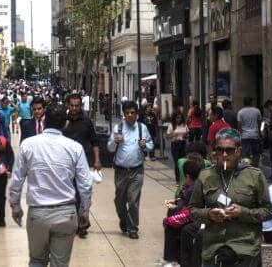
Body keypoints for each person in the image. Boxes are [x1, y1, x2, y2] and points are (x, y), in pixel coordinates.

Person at [9, 104, 93, 267]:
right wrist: (84, 210)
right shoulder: (75, 148)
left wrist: (15, 206)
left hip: (38, 214)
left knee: (37, 261)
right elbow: (85, 185)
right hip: (66, 213)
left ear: (44, 120)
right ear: (65, 123)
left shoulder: (28, 144)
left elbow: (16, 179)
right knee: (60, 264)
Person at [189, 128, 272, 267]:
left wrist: (243, 213)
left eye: (229, 150)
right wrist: (209, 214)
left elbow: (269, 211)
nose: (224, 154)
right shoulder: (205, 176)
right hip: (213, 248)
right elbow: (192, 210)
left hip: (245, 248)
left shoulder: (254, 175)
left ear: (238, 151)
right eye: (219, 150)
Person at [107, 100, 154, 239]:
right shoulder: (118, 128)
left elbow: (151, 146)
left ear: (137, 114)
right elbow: (109, 148)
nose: (130, 115)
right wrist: (115, 141)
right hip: (121, 171)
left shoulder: (142, 128)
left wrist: (145, 145)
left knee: (133, 200)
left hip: (137, 170)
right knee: (119, 201)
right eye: (127, 113)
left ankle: (133, 228)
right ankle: (124, 220)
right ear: (123, 114)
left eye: (132, 113)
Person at [63, 93, 101, 238]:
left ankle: (83, 224)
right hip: (66, 165)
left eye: (77, 106)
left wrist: (97, 160)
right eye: (71, 105)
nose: (74, 108)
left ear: (80, 105)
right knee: (69, 196)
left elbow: (95, 142)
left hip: (82, 164)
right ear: (68, 105)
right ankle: (72, 223)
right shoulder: (63, 121)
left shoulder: (86, 121)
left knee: (83, 195)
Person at [162, 160, 202, 267]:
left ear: (187, 176)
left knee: (171, 224)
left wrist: (168, 220)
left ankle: (172, 260)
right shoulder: (193, 187)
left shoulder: (193, 190)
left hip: (194, 220)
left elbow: (188, 213)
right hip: (192, 217)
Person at [237, 97, 262, 166]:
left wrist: (239, 134)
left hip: (245, 136)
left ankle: (246, 167)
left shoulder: (240, 112)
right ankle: (255, 166)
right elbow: (259, 123)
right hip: (255, 135)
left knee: (245, 153)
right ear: (251, 102)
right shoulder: (257, 111)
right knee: (256, 153)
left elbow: (239, 125)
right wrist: (260, 133)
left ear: (244, 103)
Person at [165, 112, 189, 180]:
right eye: (177, 117)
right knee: (177, 163)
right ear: (175, 118)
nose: (179, 119)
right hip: (175, 145)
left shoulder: (184, 125)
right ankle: (178, 179)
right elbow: (167, 136)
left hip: (183, 144)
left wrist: (185, 135)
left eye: (180, 117)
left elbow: (187, 134)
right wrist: (173, 135)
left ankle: (183, 178)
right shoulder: (171, 125)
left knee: (183, 162)